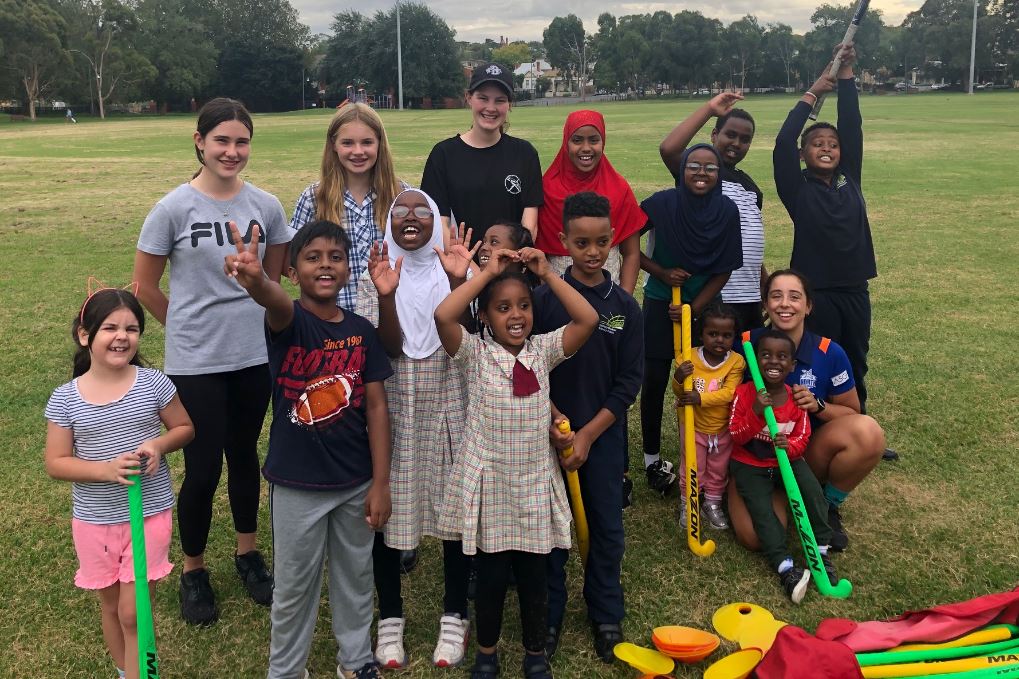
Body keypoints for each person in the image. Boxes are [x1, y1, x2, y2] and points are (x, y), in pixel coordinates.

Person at [134, 97, 290, 625]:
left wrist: (254, 280)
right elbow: (144, 286)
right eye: (221, 140)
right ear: (199, 142)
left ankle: (248, 554)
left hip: (252, 357)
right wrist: (184, 325)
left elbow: (273, 284)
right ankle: (193, 570)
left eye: (241, 141)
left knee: (245, 456)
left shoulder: (267, 206)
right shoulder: (173, 208)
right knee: (201, 469)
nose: (231, 151)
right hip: (196, 361)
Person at [224, 220, 393, 679]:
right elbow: (273, 301)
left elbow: (377, 408)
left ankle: (356, 661)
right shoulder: (289, 321)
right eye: (312, 257)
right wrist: (258, 280)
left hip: (356, 481)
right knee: (295, 586)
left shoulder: (361, 331)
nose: (325, 264)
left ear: (347, 267)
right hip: (298, 482)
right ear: (294, 271)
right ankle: (285, 670)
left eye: (335, 257)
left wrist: (380, 483)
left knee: (355, 577)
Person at [434, 247, 598, 679]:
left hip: (532, 484)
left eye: (523, 305)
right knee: (489, 580)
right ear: (485, 317)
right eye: (503, 308)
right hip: (490, 486)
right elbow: (444, 317)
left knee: (533, 578)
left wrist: (549, 273)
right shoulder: (475, 355)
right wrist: (485, 272)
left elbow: (588, 320)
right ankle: (486, 653)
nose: (516, 315)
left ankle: (535, 654)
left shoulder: (543, 351)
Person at [44, 287, 194, 679]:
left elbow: (184, 428)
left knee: (134, 611)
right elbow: (56, 463)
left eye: (132, 328)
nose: (122, 336)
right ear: (84, 335)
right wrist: (106, 470)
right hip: (95, 522)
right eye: (109, 327)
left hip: (148, 514)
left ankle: (144, 674)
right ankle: (128, 672)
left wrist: (159, 445)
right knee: (111, 606)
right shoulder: (65, 399)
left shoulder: (153, 383)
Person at [354, 189, 476, 669]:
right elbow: (388, 347)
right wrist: (387, 296)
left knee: (451, 511)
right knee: (387, 514)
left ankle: (454, 615)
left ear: (435, 221)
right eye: (399, 212)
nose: (410, 219)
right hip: (396, 407)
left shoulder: (453, 270)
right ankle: (390, 618)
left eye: (421, 211)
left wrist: (456, 282)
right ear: (389, 223)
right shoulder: (377, 275)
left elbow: (459, 344)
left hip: (447, 403)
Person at [533, 192, 643, 663]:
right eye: (582, 242)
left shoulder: (624, 307)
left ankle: (605, 612)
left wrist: (588, 434)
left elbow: (628, 382)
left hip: (602, 437)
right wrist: (557, 422)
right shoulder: (543, 301)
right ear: (564, 242)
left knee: (606, 526)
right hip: (545, 436)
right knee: (550, 530)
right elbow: (528, 367)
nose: (593, 252)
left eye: (602, 242)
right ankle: (550, 612)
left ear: (613, 240)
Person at [731, 270, 886, 552]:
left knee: (868, 433)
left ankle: (827, 505)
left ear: (808, 306)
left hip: (802, 456)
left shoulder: (829, 352)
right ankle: (780, 499)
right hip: (753, 459)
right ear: (765, 305)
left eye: (795, 297)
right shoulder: (745, 344)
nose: (785, 304)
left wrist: (818, 405)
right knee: (754, 537)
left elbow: (853, 413)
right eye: (775, 296)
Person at [773, 44, 877, 415]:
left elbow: (852, 125)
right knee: (819, 362)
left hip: (854, 287)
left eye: (833, 145)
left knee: (855, 358)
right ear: (804, 155)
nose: (828, 148)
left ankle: (857, 421)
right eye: (818, 143)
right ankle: (816, 425)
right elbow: (784, 140)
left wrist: (847, 73)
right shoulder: (797, 188)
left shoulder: (850, 177)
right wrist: (815, 90)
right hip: (817, 292)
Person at [638, 143, 743, 496]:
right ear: (682, 169)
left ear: (720, 174)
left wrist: (693, 309)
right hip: (659, 300)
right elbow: (625, 241)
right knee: (654, 378)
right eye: (693, 166)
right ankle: (651, 458)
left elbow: (725, 268)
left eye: (710, 168)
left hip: (705, 308)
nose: (701, 173)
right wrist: (661, 272)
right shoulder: (661, 204)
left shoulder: (727, 211)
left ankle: (707, 450)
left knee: (705, 381)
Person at [728, 329, 839, 603]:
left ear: (792, 365)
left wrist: (789, 448)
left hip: (786, 462)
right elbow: (736, 435)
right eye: (765, 355)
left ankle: (821, 550)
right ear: (756, 359)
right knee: (762, 513)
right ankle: (785, 567)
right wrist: (755, 412)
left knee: (813, 492)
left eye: (782, 357)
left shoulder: (797, 398)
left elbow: (803, 435)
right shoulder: (744, 394)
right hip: (749, 465)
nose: (773, 362)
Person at [660, 92, 767, 331]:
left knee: (748, 365)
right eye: (730, 134)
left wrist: (764, 284)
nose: (737, 143)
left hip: (749, 297)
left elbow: (747, 242)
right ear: (714, 134)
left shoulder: (750, 187)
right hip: (716, 297)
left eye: (745, 139)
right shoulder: (701, 176)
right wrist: (709, 109)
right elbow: (669, 149)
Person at [290, 103, 405, 312]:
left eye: (367, 142)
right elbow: (293, 262)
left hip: (394, 321)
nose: (358, 151)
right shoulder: (313, 199)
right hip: (332, 326)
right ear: (334, 144)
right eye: (348, 143)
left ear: (380, 143)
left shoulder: (401, 196)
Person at [421, 62, 543, 246]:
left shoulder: (525, 154)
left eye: (500, 100)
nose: (491, 108)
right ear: (468, 98)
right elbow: (440, 225)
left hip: (512, 267)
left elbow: (529, 227)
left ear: (510, 104)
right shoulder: (443, 155)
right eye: (483, 98)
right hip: (463, 269)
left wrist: (509, 265)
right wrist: (471, 271)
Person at [535, 110, 646, 293]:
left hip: (608, 296)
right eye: (577, 140)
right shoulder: (547, 189)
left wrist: (624, 300)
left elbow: (631, 253)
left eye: (594, 140)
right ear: (565, 143)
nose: (586, 148)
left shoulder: (618, 188)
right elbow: (540, 257)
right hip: (558, 297)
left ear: (603, 141)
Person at [671, 302, 745, 529]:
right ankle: (688, 503)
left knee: (718, 468)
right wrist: (679, 378)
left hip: (722, 428)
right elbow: (679, 392)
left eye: (726, 335)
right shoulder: (688, 357)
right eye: (713, 334)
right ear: (701, 334)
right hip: (693, 425)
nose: (719, 340)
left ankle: (712, 503)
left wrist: (700, 398)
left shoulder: (736, 362)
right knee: (692, 466)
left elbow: (730, 393)